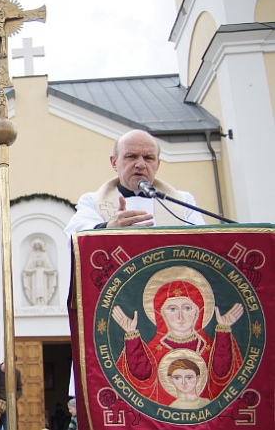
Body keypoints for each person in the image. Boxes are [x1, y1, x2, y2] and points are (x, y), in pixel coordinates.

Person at [111, 266, 243, 405]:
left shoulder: (208, 347)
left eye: (187, 308)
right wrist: (132, 335)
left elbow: (221, 378)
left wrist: (223, 331)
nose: (180, 316)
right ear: (161, 313)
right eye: (172, 309)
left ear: (198, 311)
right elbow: (142, 379)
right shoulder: (154, 349)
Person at [64, 129, 205, 235]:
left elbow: (204, 238)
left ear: (158, 165)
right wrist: (108, 228)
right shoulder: (92, 201)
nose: (141, 164)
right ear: (114, 163)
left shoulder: (183, 201)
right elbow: (74, 234)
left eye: (148, 158)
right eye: (131, 156)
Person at [21, 237, 57, 306]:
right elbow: (28, 266)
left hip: (43, 279)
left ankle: (44, 301)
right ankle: (35, 301)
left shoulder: (44, 254)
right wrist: (26, 272)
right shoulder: (32, 254)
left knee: (43, 290)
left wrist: (52, 271)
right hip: (35, 278)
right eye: (36, 245)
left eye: (38, 245)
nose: (37, 246)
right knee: (36, 290)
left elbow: (49, 264)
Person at [0, 360, 23, 430]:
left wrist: (14, 397)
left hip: (9, 407)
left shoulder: (16, 373)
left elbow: (20, 389)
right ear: (4, 362)